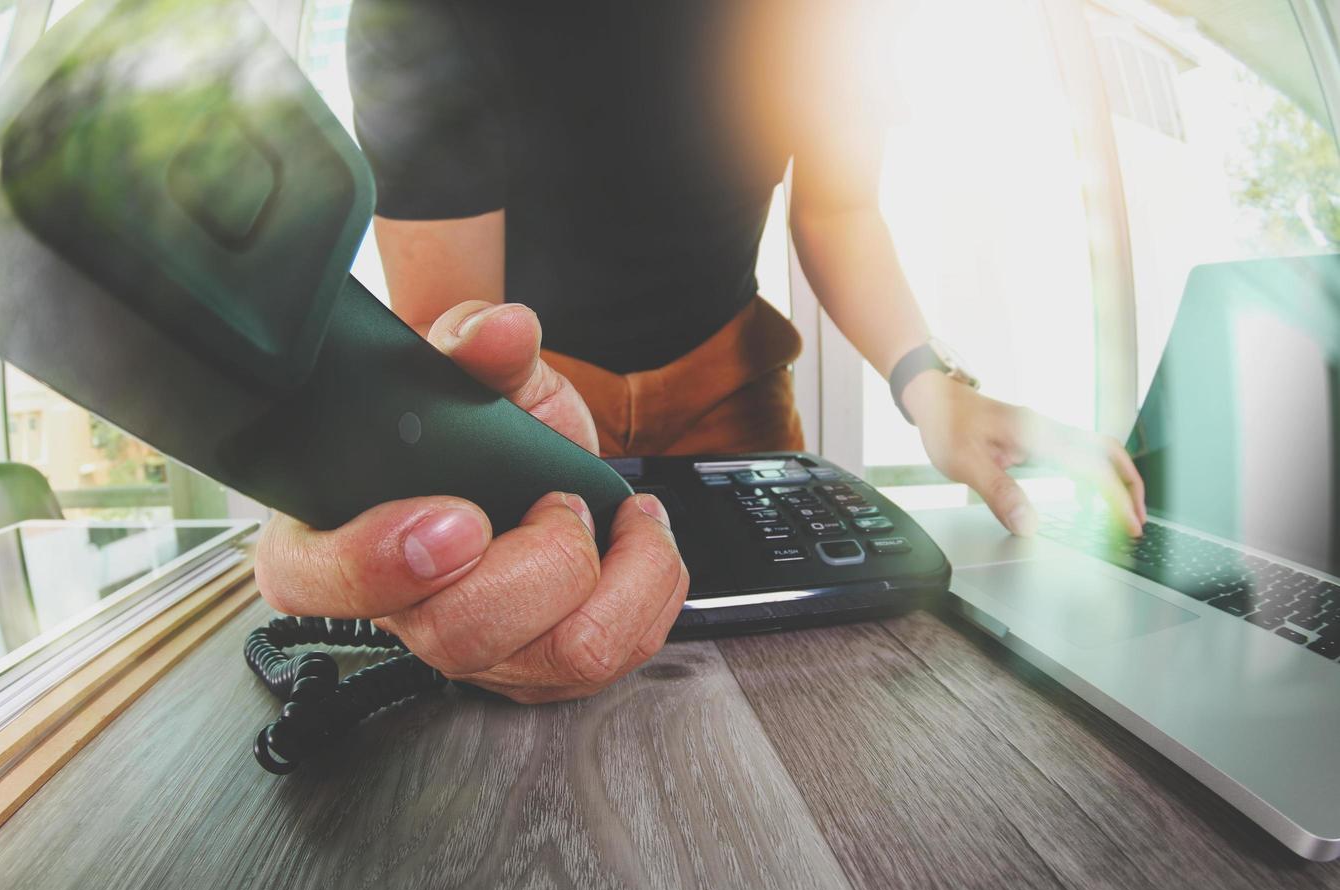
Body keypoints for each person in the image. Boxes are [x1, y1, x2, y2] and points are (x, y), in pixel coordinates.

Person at [256, 0, 1146, 703]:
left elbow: (839, 207)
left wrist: (931, 384)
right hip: (535, 403)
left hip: (737, 385)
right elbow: (457, 318)